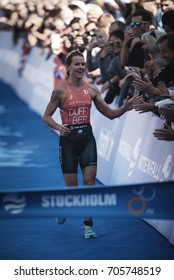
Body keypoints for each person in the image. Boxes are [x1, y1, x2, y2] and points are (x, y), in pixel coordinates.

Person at [43, 50, 141, 238]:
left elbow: (110, 115)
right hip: (68, 141)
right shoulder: (60, 91)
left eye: (83, 64)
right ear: (69, 67)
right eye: (77, 64)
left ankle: (88, 225)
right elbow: (46, 116)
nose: (81, 67)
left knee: (89, 183)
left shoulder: (92, 90)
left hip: (87, 139)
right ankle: (65, 206)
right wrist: (58, 126)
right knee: (72, 189)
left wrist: (124, 108)